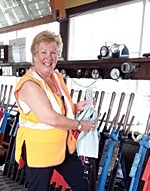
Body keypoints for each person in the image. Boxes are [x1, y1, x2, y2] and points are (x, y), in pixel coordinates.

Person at [14, 30, 96, 191]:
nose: (49, 57)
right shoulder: (29, 85)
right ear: (34, 55)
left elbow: (58, 105)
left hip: (63, 146)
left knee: (82, 186)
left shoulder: (56, 77)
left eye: (54, 52)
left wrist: (74, 107)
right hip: (39, 150)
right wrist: (79, 125)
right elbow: (50, 118)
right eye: (43, 52)